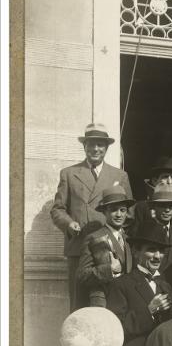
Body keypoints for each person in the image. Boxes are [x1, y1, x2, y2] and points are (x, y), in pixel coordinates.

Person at [50, 122, 132, 311]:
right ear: (84, 146)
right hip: (79, 247)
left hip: (110, 249)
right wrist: (69, 223)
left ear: (107, 147)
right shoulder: (69, 174)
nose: (95, 149)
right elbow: (57, 209)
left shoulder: (120, 175)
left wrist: (117, 238)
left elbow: (130, 214)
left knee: (112, 303)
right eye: (91, 144)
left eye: (100, 144)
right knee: (80, 304)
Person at [106, 221, 172, 346]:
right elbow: (115, 329)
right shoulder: (121, 284)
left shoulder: (166, 286)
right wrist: (149, 311)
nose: (157, 256)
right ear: (136, 252)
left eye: (161, 251)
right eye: (151, 250)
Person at [76, 187, 135, 307]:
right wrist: (109, 269)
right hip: (104, 301)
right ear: (104, 211)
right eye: (113, 210)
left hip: (126, 301)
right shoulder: (93, 238)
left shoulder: (129, 240)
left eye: (122, 210)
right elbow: (82, 275)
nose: (119, 214)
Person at [131, 157, 172, 235]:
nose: (169, 181)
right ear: (155, 181)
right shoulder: (142, 207)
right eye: (165, 177)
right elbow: (135, 235)